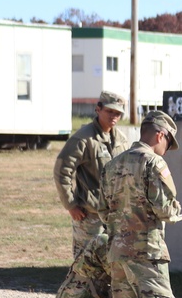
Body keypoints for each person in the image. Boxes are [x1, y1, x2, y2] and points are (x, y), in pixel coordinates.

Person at [101, 109, 181, 298]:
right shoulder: (153, 162)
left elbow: (102, 208)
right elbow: (165, 209)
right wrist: (174, 209)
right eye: (167, 143)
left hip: (118, 251)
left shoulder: (114, 164)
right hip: (147, 251)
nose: (166, 150)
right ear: (160, 134)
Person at [54, 91, 129, 258]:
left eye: (117, 113)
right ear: (98, 109)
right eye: (109, 111)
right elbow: (62, 171)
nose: (113, 116)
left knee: (111, 265)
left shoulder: (122, 140)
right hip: (90, 217)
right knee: (85, 267)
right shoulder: (83, 139)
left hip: (115, 216)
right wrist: (70, 204)